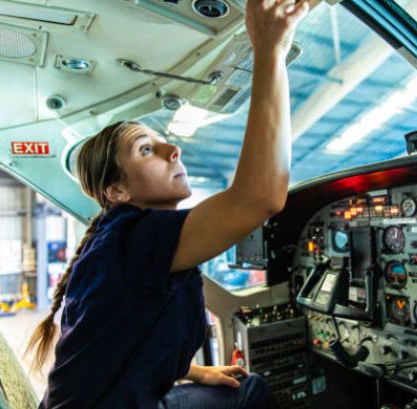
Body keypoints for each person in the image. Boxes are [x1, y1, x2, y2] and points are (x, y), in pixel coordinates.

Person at [24, 0, 309, 407]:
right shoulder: (131, 238)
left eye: (161, 142)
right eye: (146, 150)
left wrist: (197, 371)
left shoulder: (122, 244)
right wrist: (270, 49)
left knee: (242, 389)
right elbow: (260, 197)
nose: (173, 150)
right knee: (251, 392)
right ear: (116, 192)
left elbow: (122, 344)